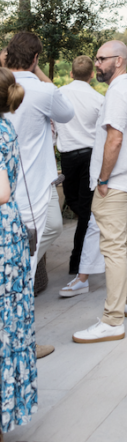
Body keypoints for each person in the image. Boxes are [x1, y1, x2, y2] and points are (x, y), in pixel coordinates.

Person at [72, 40, 127, 344]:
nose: (97, 63)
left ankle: (113, 320)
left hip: (114, 182)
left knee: (113, 248)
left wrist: (102, 179)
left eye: (102, 59)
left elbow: (114, 139)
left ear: (118, 60)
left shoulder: (118, 91)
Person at [6, 32, 74, 280]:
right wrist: (41, 73)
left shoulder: (6, 86)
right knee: (33, 243)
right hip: (33, 182)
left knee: (50, 227)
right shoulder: (43, 91)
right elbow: (67, 113)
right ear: (35, 58)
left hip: (9, 178)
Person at [0, 67, 37, 434]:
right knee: (9, 322)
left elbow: (1, 191)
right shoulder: (6, 124)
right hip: (8, 230)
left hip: (1, 228)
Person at [56, 55, 102, 284]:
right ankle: (80, 258)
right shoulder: (98, 98)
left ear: (71, 73)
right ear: (92, 75)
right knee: (83, 207)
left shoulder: (59, 94)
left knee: (79, 204)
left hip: (68, 158)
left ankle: (78, 260)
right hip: (90, 156)